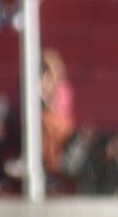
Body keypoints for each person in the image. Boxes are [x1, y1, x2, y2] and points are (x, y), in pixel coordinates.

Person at [39, 49, 76, 179]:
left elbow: (60, 111)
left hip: (60, 123)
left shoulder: (63, 88)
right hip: (42, 124)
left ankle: (51, 165)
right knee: (44, 121)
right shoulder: (30, 84)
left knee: (46, 120)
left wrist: (46, 92)